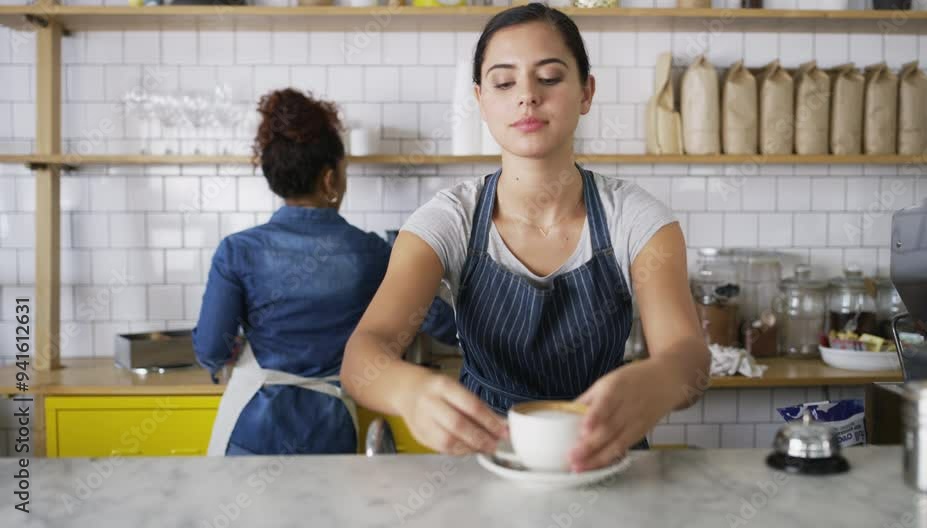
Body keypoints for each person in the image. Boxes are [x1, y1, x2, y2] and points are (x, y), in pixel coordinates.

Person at [343, 3, 710, 472]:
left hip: (602, 464)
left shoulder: (639, 221)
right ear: (480, 101)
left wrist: (660, 380)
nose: (528, 96)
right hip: (484, 464)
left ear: (586, 92)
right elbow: (362, 355)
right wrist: (407, 390)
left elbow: (689, 358)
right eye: (504, 82)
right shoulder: (447, 221)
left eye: (550, 77)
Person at [193, 89, 458, 456]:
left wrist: (228, 351)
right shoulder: (371, 252)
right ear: (330, 179)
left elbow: (210, 347)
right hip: (328, 429)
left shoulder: (237, 251)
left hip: (251, 428)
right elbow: (436, 319)